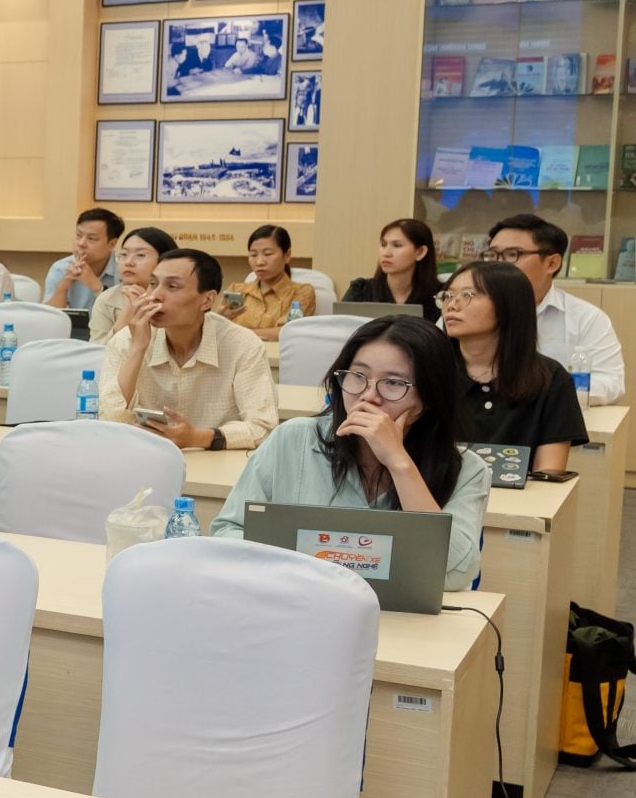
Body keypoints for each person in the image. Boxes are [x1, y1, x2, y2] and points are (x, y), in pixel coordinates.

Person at [209, 316, 492, 588]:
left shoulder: (467, 469)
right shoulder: (293, 439)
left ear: (429, 397)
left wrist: (399, 464)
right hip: (298, 602)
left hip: (401, 617)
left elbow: (456, 572)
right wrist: (296, 572)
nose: (368, 395)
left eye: (393, 383)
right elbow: (228, 531)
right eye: (358, 376)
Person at [100, 247, 278, 451]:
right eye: (153, 284)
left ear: (207, 300)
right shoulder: (127, 340)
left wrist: (198, 438)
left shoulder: (242, 345)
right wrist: (137, 349)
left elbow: (263, 427)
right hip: (146, 462)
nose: (155, 296)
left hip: (219, 466)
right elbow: (108, 421)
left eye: (172, 286)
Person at [439, 260, 586, 475]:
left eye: (468, 295)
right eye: (448, 295)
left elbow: (549, 473)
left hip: (524, 495)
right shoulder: (430, 370)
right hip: (438, 494)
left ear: (507, 305)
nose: (452, 305)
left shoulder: (551, 379)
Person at [488, 212, 624, 405]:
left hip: (550, 417)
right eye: (492, 255)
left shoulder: (586, 317)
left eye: (513, 254)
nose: (497, 265)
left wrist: (542, 391)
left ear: (552, 263)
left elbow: (610, 383)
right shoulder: (463, 310)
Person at [226, 224, 317, 340]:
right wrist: (217, 319)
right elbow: (217, 331)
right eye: (253, 255)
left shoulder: (301, 292)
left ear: (287, 255)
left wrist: (236, 333)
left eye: (268, 254)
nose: (259, 262)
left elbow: (287, 331)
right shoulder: (236, 290)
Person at [342, 217, 443, 317]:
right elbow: (340, 325)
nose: (386, 253)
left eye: (397, 245)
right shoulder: (361, 291)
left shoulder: (440, 296)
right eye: (383, 245)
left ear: (420, 252)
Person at [90, 226, 177, 338]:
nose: (128, 262)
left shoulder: (177, 298)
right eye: (124, 254)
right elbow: (97, 347)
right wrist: (124, 319)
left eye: (140, 255)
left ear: (164, 260)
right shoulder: (107, 299)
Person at [44, 208, 122, 311]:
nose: (81, 243)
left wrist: (97, 287)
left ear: (112, 244)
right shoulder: (60, 268)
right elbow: (48, 316)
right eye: (78, 235)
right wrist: (64, 285)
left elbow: (123, 314)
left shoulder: (124, 270)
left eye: (91, 238)